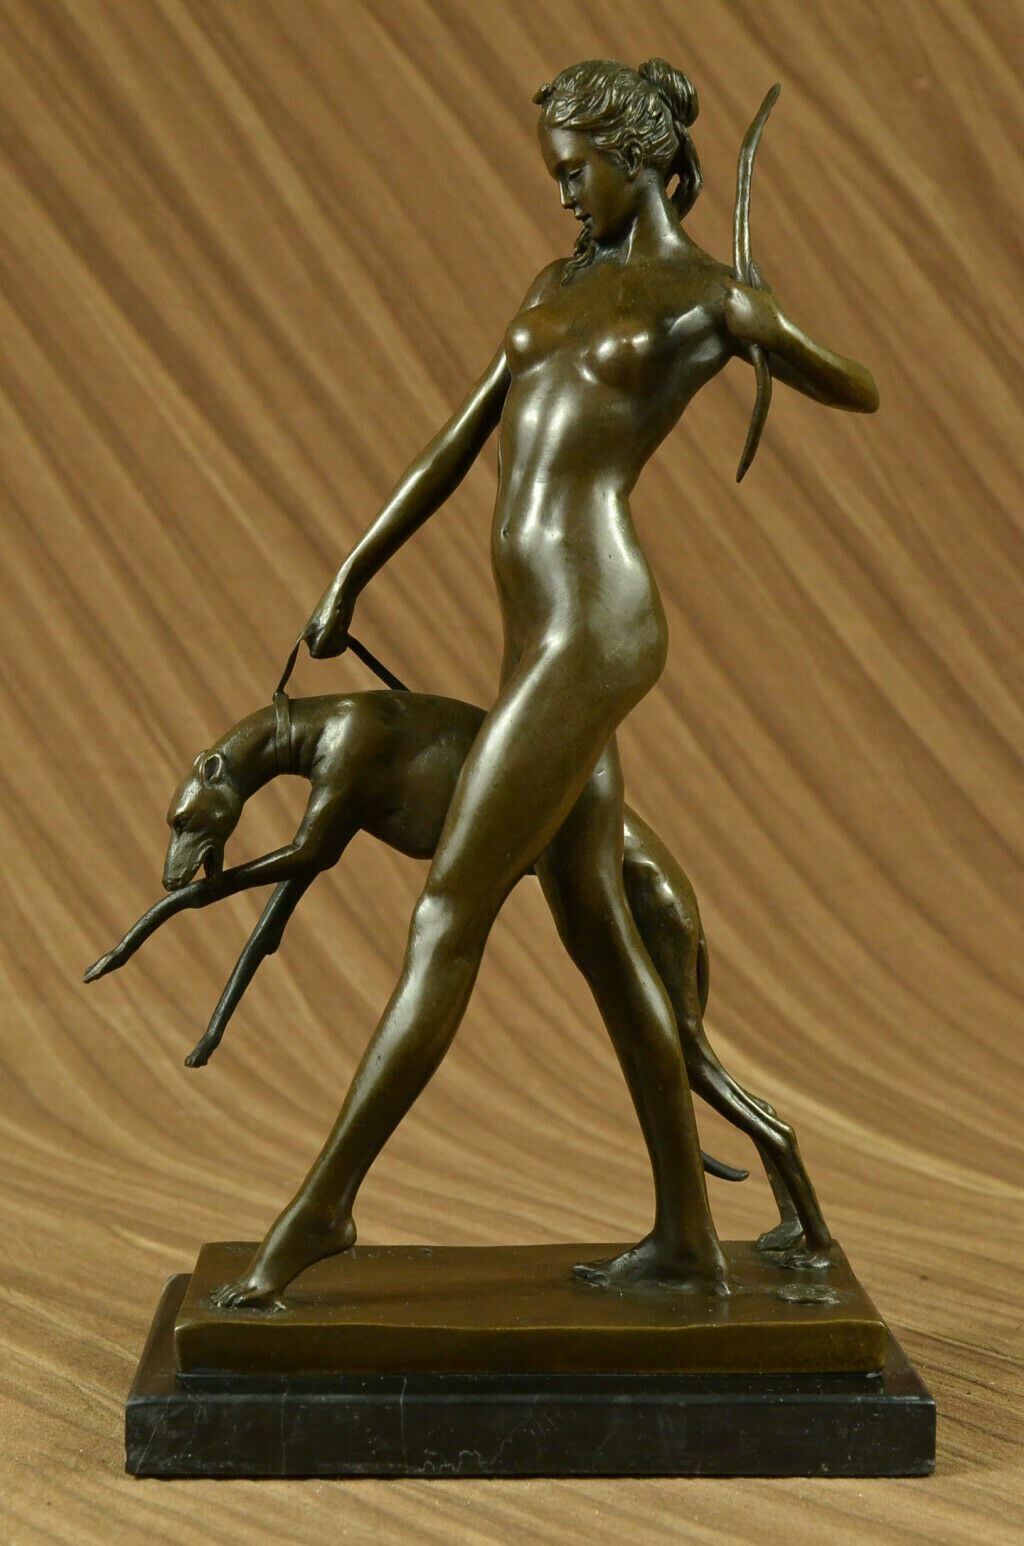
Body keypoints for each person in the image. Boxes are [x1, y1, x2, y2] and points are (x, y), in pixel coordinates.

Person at [213, 58, 877, 1309]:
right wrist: (352, 571)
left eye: (576, 173)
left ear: (636, 158)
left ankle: (323, 1207)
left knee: (447, 912)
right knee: (597, 929)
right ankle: (686, 1236)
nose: (563, 194)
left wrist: (765, 325)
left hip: (595, 629)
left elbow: (859, 387)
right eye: (556, 175)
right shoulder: (552, 286)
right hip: (533, 636)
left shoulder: (701, 297)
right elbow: (459, 439)